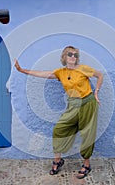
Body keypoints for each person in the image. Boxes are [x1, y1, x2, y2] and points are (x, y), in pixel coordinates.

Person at [14, 46, 103, 179]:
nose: (73, 56)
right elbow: (41, 74)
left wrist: (96, 92)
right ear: (64, 57)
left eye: (75, 55)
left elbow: (100, 75)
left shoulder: (83, 68)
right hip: (73, 105)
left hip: (88, 103)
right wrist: (22, 70)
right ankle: (58, 160)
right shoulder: (60, 72)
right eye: (69, 54)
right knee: (59, 130)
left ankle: (86, 164)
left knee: (87, 134)